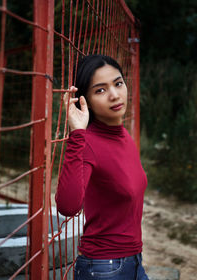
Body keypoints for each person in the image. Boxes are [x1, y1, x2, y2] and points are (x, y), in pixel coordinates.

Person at [55, 54, 149, 280]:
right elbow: (67, 206)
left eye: (118, 83)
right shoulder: (88, 143)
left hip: (134, 261)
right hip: (103, 268)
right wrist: (77, 133)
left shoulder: (123, 135)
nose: (115, 95)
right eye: (100, 90)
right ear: (84, 99)